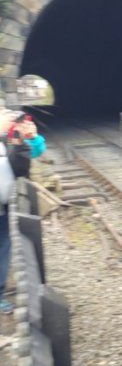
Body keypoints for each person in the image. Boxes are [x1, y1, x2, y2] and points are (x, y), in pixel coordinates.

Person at [0, 111, 46, 314]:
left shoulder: (6, 139)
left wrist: (29, 138)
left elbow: (25, 160)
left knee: (3, 248)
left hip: (3, 207)